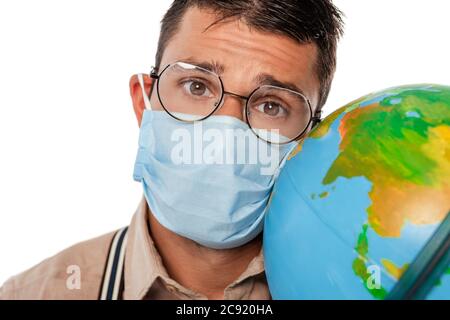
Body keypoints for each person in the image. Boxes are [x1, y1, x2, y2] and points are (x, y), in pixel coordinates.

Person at [0, 0, 344, 300]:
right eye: (197, 86)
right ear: (145, 103)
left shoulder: (358, 290)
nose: (224, 134)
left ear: (310, 140)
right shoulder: (32, 295)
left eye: (271, 106)